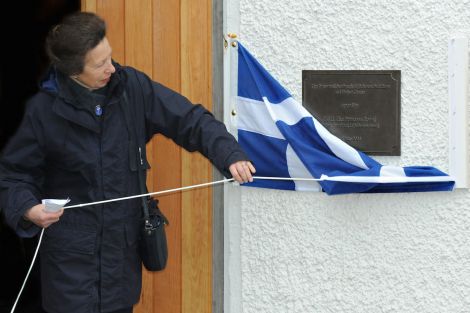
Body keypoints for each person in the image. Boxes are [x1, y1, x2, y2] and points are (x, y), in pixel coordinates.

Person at [0, 11, 255, 313]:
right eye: (99, 64)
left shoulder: (132, 88)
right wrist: (29, 210)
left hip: (120, 272)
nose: (111, 68)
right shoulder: (43, 112)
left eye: (109, 57)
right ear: (73, 71)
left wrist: (230, 154)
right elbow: (13, 177)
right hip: (69, 273)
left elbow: (189, 119)